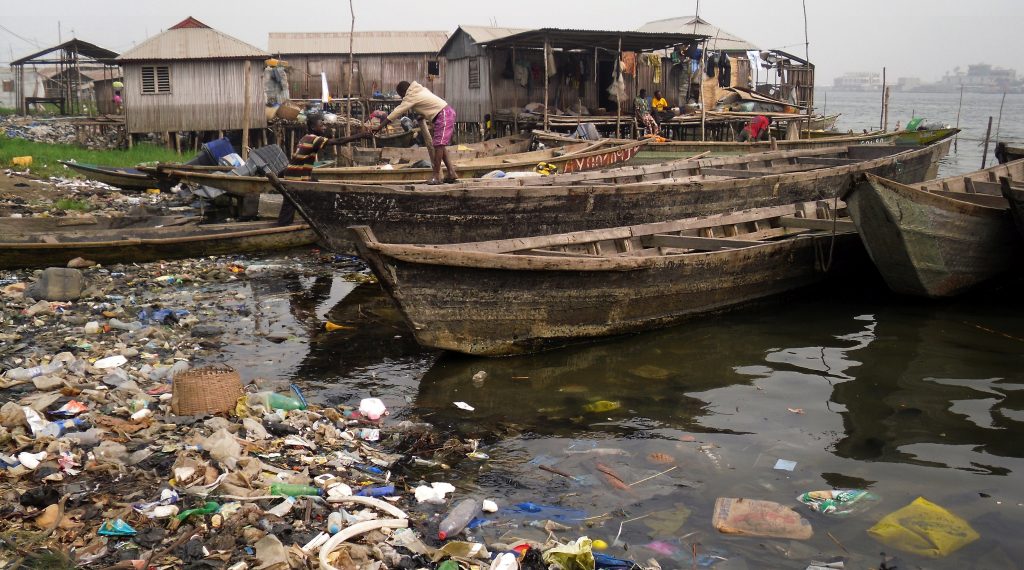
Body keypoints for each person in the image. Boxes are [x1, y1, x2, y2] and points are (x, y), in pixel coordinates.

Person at [277, 113, 370, 225]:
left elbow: (296, 159)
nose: (324, 127)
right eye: (321, 125)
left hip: (291, 177)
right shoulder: (315, 139)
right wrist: (361, 135)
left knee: (292, 203)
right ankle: (321, 222)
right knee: (324, 195)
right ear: (312, 127)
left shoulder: (304, 138)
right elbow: (339, 141)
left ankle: (300, 222)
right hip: (297, 180)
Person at [374, 80, 458, 184]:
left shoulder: (411, 96)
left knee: (439, 146)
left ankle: (436, 176)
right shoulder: (419, 90)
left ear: (403, 92)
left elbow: (397, 111)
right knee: (440, 145)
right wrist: (424, 114)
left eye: (401, 95)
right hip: (444, 113)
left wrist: (380, 126)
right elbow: (427, 103)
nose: (402, 98)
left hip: (444, 114)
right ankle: (451, 173)